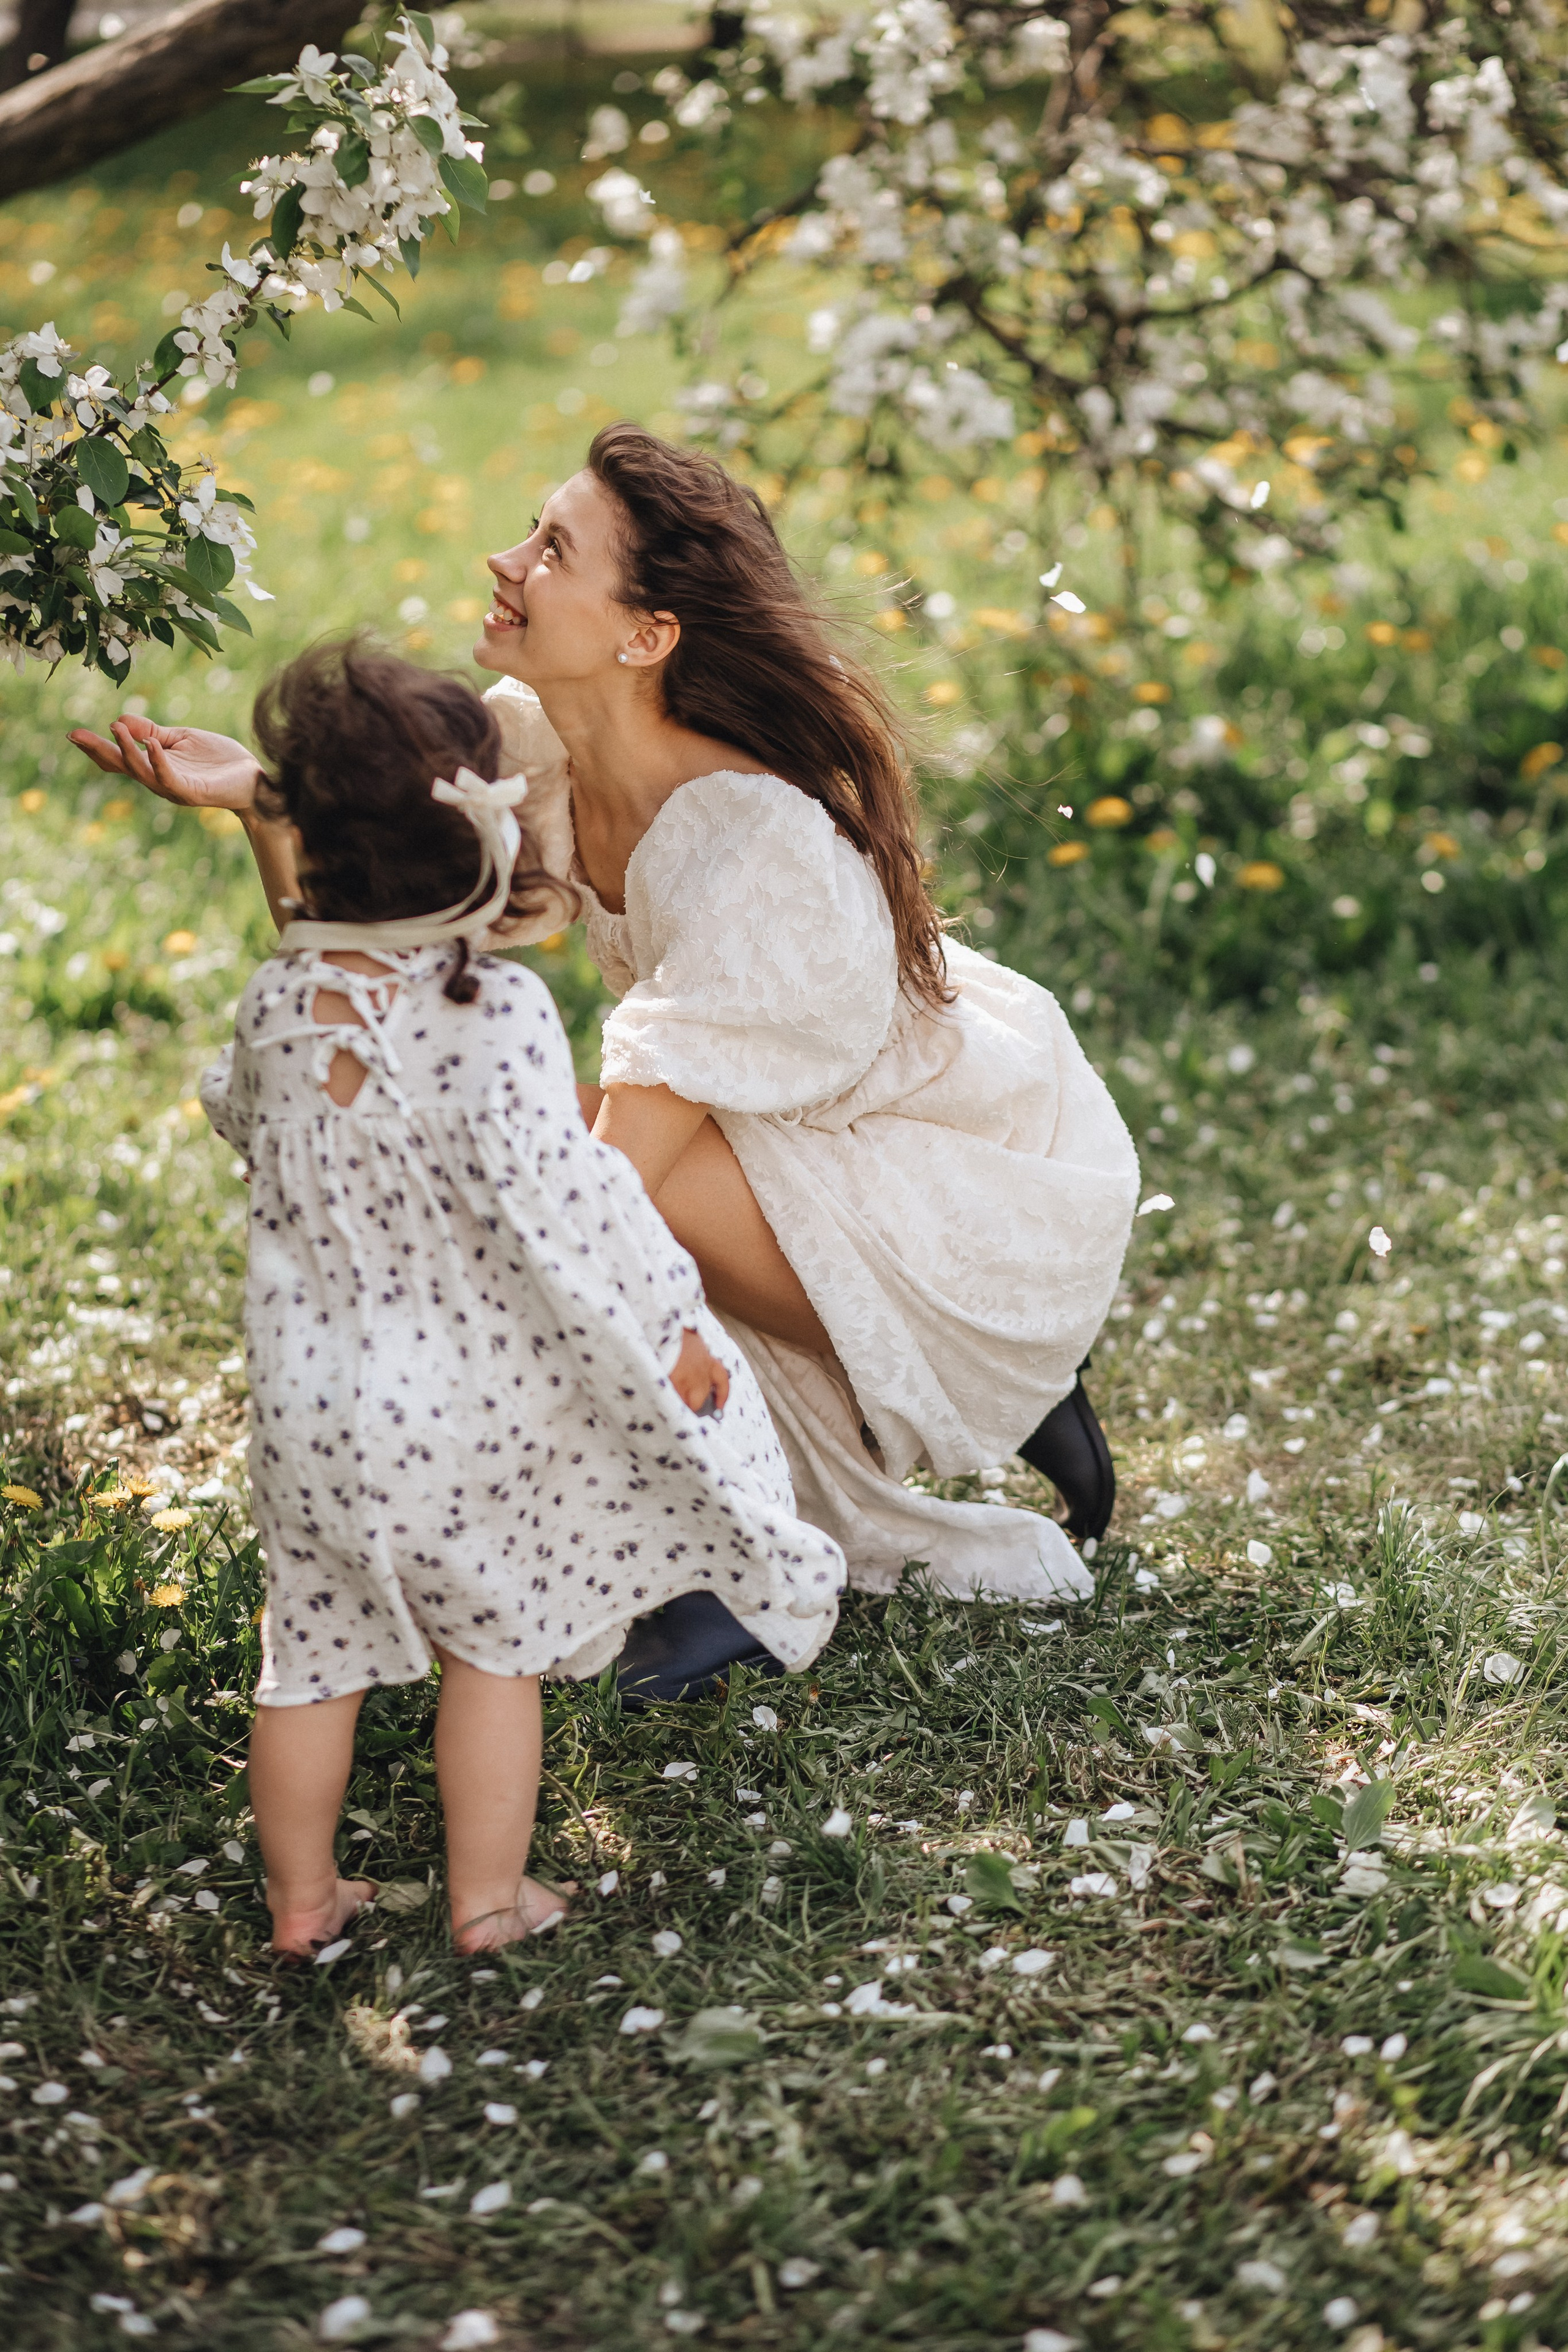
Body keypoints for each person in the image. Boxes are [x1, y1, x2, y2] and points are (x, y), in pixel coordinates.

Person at [71, 423, 1138, 1696]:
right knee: (479, 1143)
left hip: (951, 1196)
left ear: (647, 634)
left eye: (552, 548)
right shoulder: (535, 742)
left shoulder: (759, 854)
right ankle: (779, 1479)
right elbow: (355, 969)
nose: (504, 559)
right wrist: (265, 802)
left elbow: (593, 1195)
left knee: (544, 1176)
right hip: (789, 1155)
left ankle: (722, 1558)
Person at [197, 639, 844, 1951]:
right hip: (462, 1416)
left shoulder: (276, 1007)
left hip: (310, 1411)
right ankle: (488, 1902)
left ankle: (303, 1904)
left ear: (308, 848)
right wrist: (672, 1329)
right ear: (477, 848)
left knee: (307, 1655)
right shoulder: (490, 1014)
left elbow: (245, 1116)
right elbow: (582, 1200)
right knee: (494, 1652)